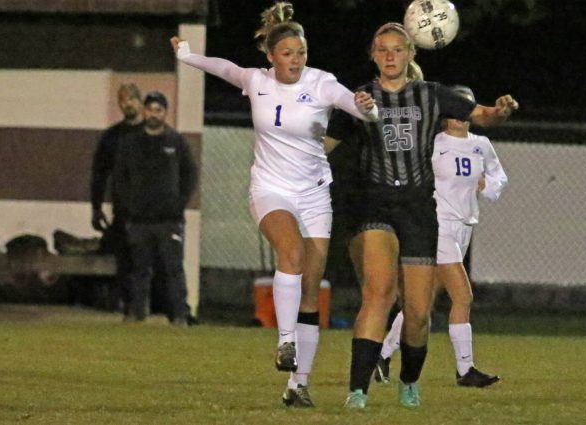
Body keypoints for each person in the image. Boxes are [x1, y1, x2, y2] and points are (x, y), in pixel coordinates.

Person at [170, 1, 378, 408]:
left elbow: (354, 105)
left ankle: (298, 386)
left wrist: (365, 108)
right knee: (291, 252)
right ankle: (285, 342)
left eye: (301, 52)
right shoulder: (257, 80)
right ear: (271, 56)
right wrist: (187, 56)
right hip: (270, 188)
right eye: (287, 54)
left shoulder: (321, 82)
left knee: (310, 292)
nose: (296, 60)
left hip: (314, 192)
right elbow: (224, 68)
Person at [324, 23, 518, 408]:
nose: (391, 56)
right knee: (378, 294)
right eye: (383, 49)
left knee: (416, 313)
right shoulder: (359, 99)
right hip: (374, 205)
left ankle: (409, 380)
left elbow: (482, 116)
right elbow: (324, 145)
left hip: (417, 209)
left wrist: (502, 111)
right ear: (373, 55)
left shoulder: (431, 95)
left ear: (412, 54)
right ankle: (357, 390)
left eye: (398, 49)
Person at [374, 86, 506, 388]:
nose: (460, 114)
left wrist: (489, 186)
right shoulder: (433, 144)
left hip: (465, 224)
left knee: (423, 301)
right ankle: (465, 370)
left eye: (467, 107)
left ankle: (382, 355)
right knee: (463, 296)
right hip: (438, 225)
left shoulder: (481, 144)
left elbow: (499, 176)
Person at [113, 91, 198, 326]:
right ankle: (137, 313)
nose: (153, 114)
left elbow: (190, 174)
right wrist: (129, 205)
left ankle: (180, 315)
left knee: (173, 269)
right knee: (139, 269)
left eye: (158, 110)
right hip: (139, 220)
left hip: (169, 219)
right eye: (150, 110)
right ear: (144, 111)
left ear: (165, 113)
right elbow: (120, 178)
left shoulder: (176, 142)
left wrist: (178, 204)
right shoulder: (130, 144)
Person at [90, 83, 144, 313]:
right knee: (124, 260)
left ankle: (145, 305)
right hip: (122, 208)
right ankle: (128, 307)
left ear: (139, 102)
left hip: (149, 211)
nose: (127, 103)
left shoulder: (153, 133)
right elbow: (99, 173)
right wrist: (96, 207)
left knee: (146, 260)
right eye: (123, 100)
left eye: (131, 98)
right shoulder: (112, 137)